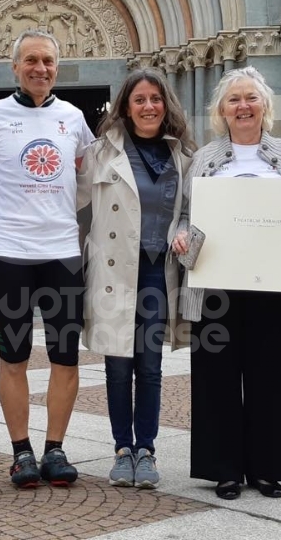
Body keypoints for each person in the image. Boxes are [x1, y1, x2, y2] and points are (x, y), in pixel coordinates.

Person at [172, 66, 281, 500]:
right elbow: (188, 215)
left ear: (265, 105)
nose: (243, 106)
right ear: (221, 111)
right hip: (215, 285)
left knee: (271, 377)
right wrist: (182, 235)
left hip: (275, 285)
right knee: (215, 377)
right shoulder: (204, 159)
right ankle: (223, 468)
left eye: (251, 98)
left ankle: (267, 468)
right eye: (234, 100)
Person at [0, 29, 94, 488]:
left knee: (65, 357)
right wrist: (3, 193)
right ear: (15, 67)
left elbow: (91, 173)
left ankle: (55, 450)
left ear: (56, 69)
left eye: (48, 62)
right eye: (32, 61)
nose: (41, 69)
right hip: (9, 252)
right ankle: (21, 452)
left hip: (62, 252)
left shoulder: (74, 117)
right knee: (13, 355)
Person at [76, 68, 194, 489]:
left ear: (166, 105)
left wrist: (185, 230)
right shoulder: (100, 153)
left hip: (158, 274)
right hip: (113, 271)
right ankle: (121, 449)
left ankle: (146, 449)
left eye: (156, 99)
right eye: (139, 99)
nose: (148, 107)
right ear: (126, 106)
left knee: (150, 366)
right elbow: (67, 200)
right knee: (117, 366)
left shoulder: (183, 157)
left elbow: (191, 212)